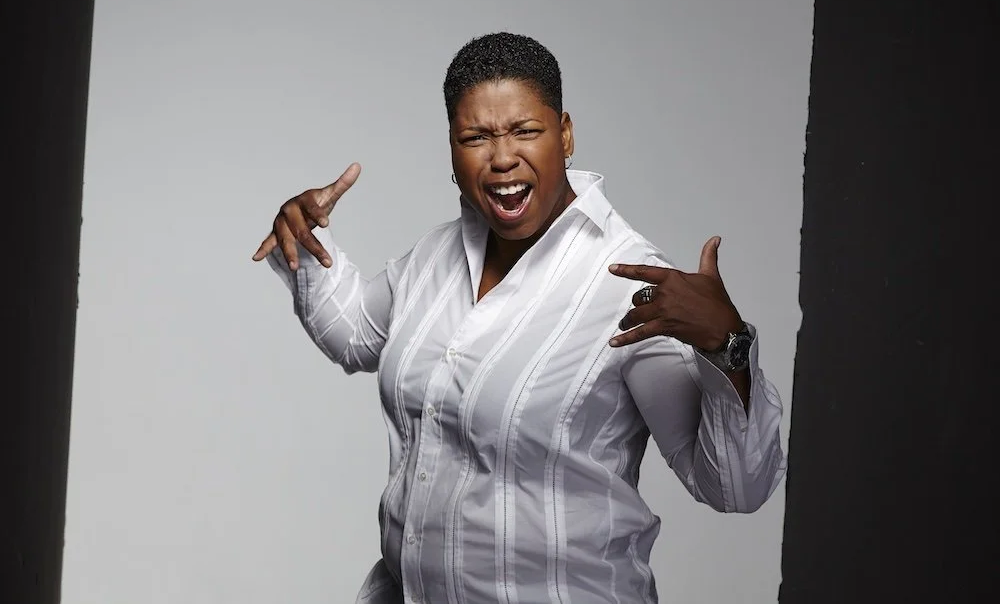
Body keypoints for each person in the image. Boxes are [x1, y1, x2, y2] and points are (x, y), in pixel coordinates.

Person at [252, 32, 786, 604]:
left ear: (566, 134)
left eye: (525, 131)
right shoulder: (434, 256)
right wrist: (304, 243)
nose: (502, 157)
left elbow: (737, 488)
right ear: (452, 151)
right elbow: (358, 336)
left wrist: (727, 346)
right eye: (475, 137)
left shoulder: (628, 284)